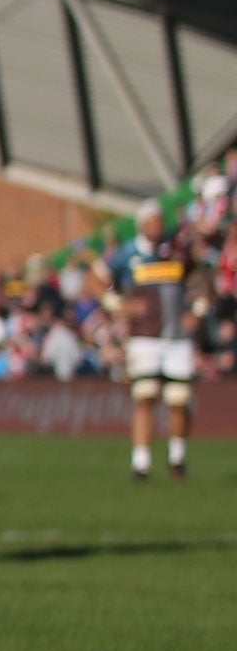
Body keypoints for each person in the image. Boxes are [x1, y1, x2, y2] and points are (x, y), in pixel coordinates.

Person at [109, 200, 197, 481]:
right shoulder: (128, 254)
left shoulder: (176, 250)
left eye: (160, 221)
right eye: (153, 222)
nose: (158, 226)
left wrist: (197, 310)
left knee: (179, 398)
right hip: (145, 337)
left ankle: (177, 458)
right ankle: (141, 462)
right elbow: (96, 280)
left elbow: (200, 279)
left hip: (176, 336)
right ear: (143, 225)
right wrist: (119, 305)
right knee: (145, 394)